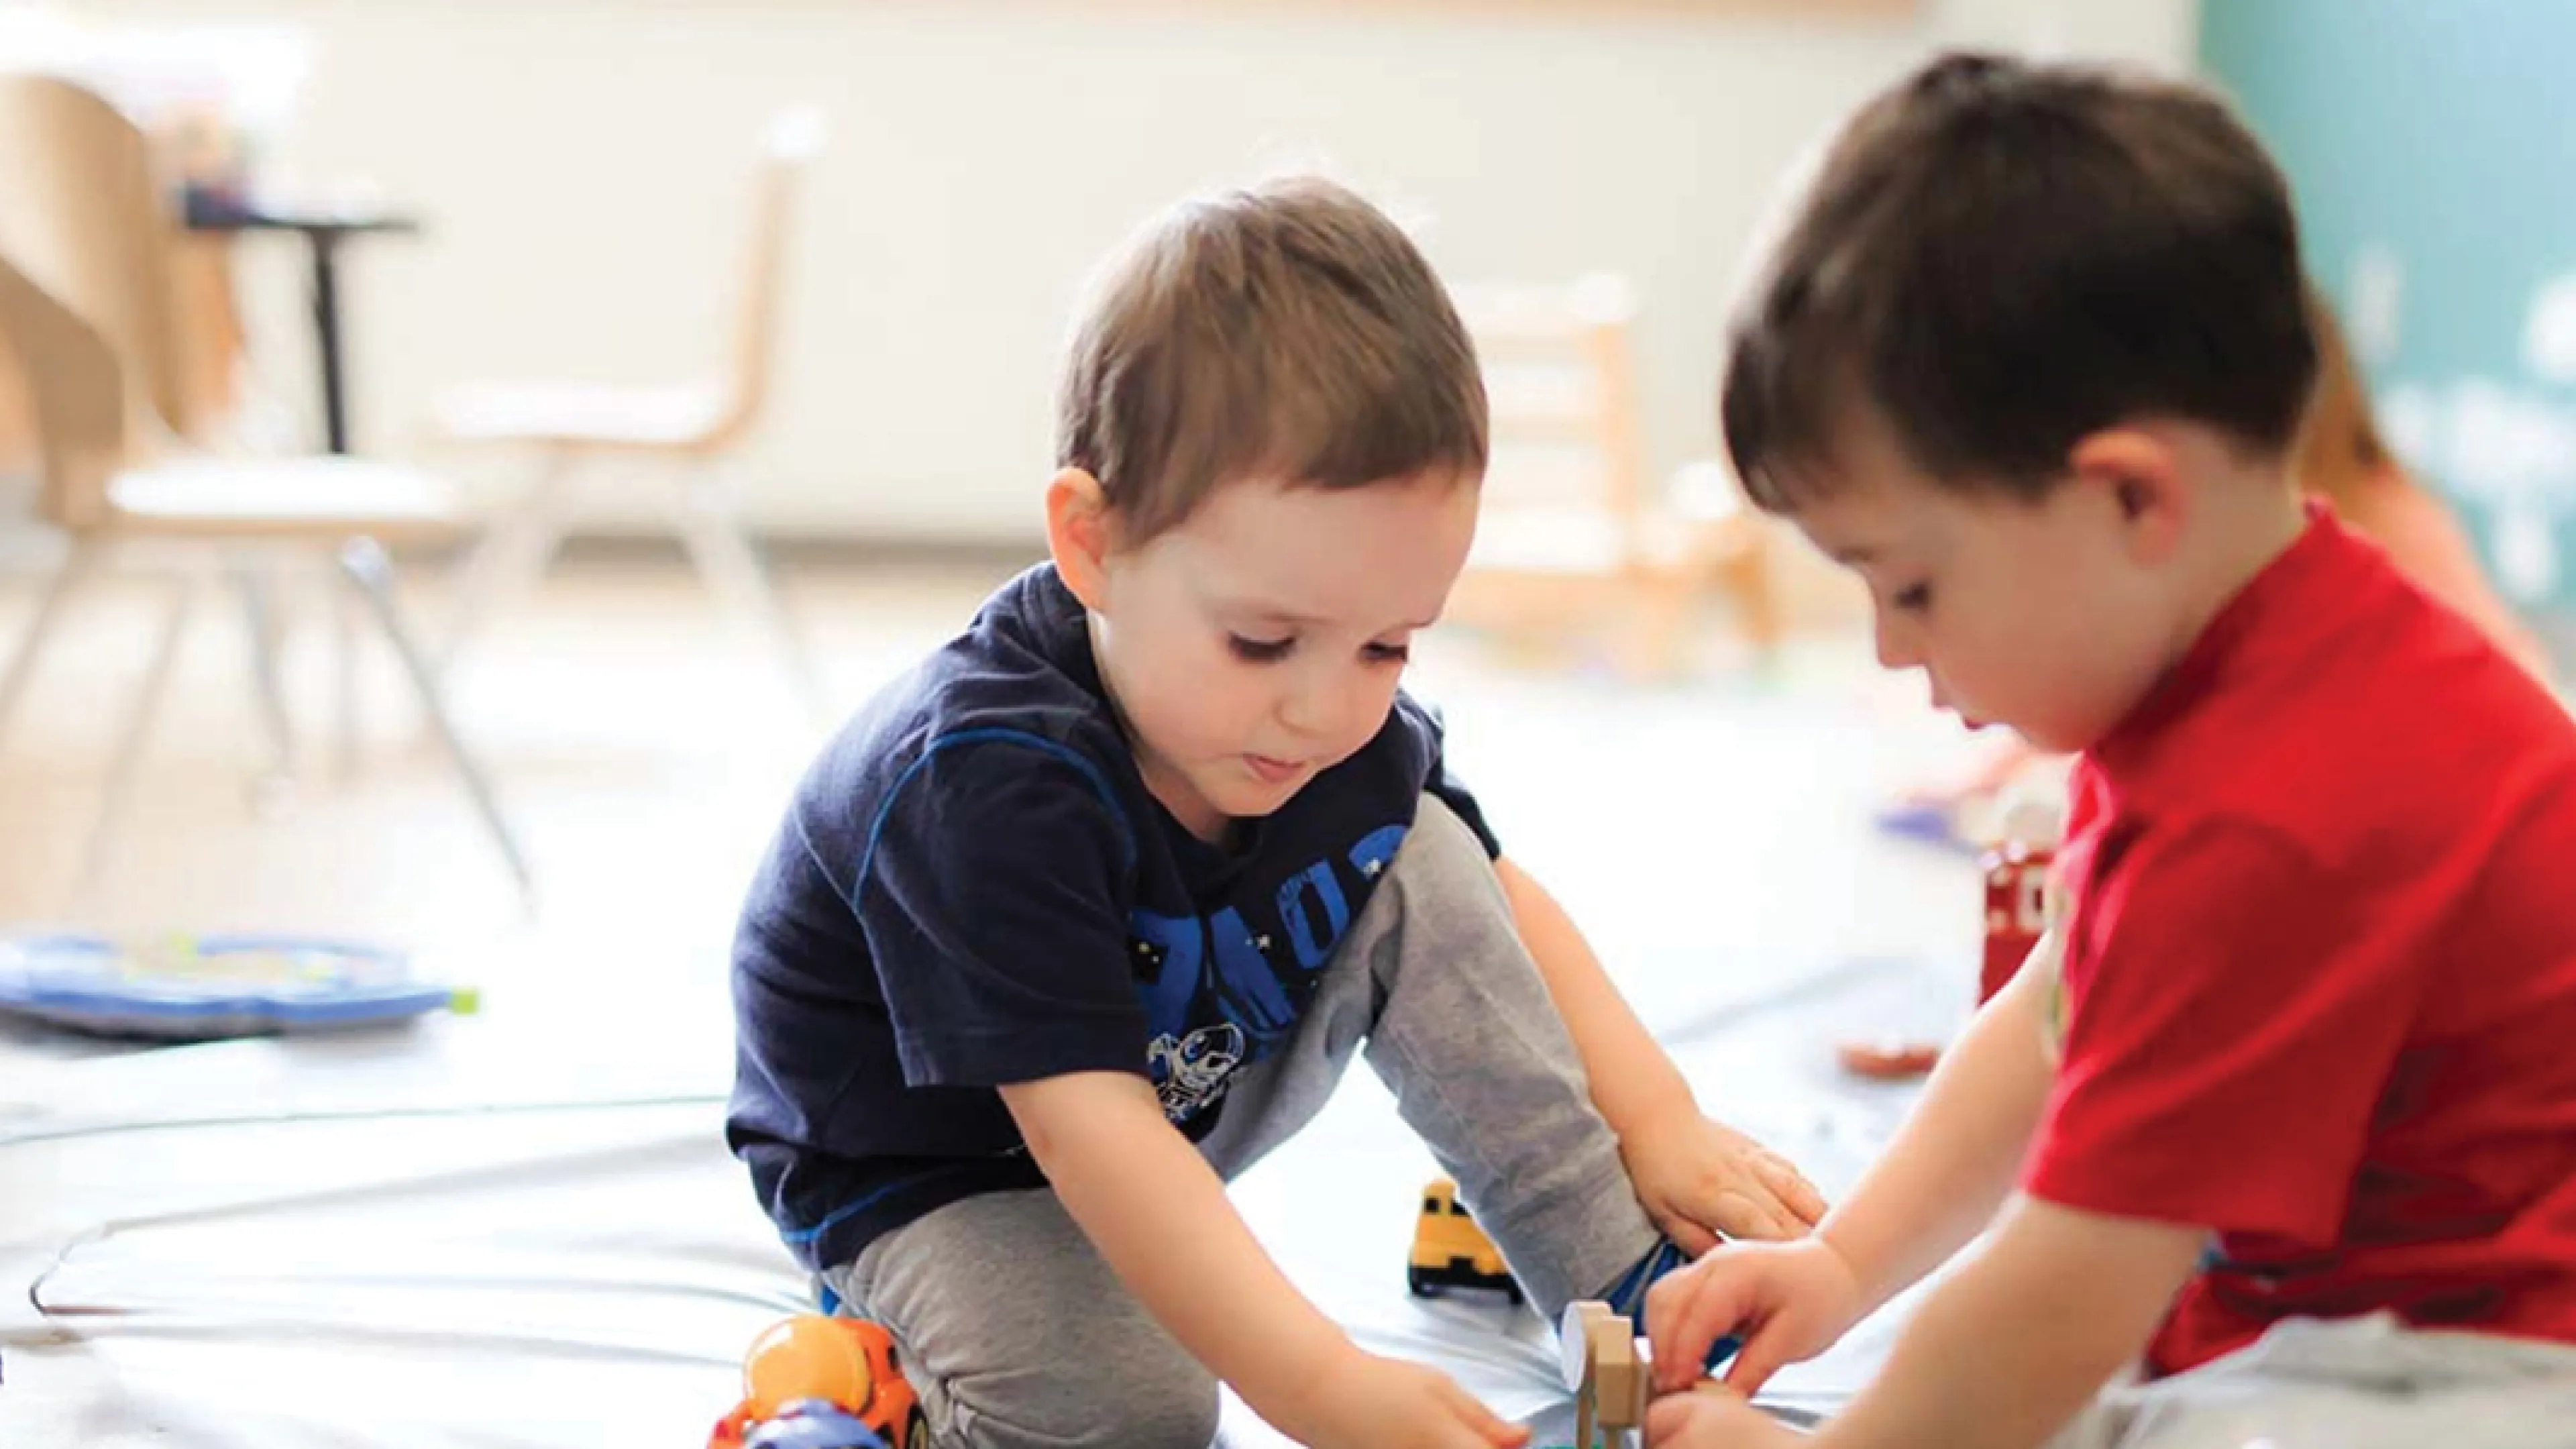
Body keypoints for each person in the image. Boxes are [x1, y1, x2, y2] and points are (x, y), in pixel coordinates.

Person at [727, 176, 1823, 1449]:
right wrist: (1317, 1382)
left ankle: (1622, 1284)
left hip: (1175, 1089)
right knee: (1133, 1411)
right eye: (1264, 641)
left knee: (1426, 848)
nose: (1326, 710)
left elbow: (1497, 903)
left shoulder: (1332, 726)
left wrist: (1661, 1119)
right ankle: (901, 1378)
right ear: (1091, 546)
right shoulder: (987, 779)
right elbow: (1091, 1139)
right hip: (939, 1170)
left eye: (1388, 646)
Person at [1646, 52, 2576, 1449]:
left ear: (2130, 499)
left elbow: (2064, 1292)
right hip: (2336, 1335)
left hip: (2487, 1377)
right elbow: (2048, 1022)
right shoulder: (2236, 657)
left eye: (1912, 586)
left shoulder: (2278, 805)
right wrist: (1846, 1267)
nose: (1893, 652)